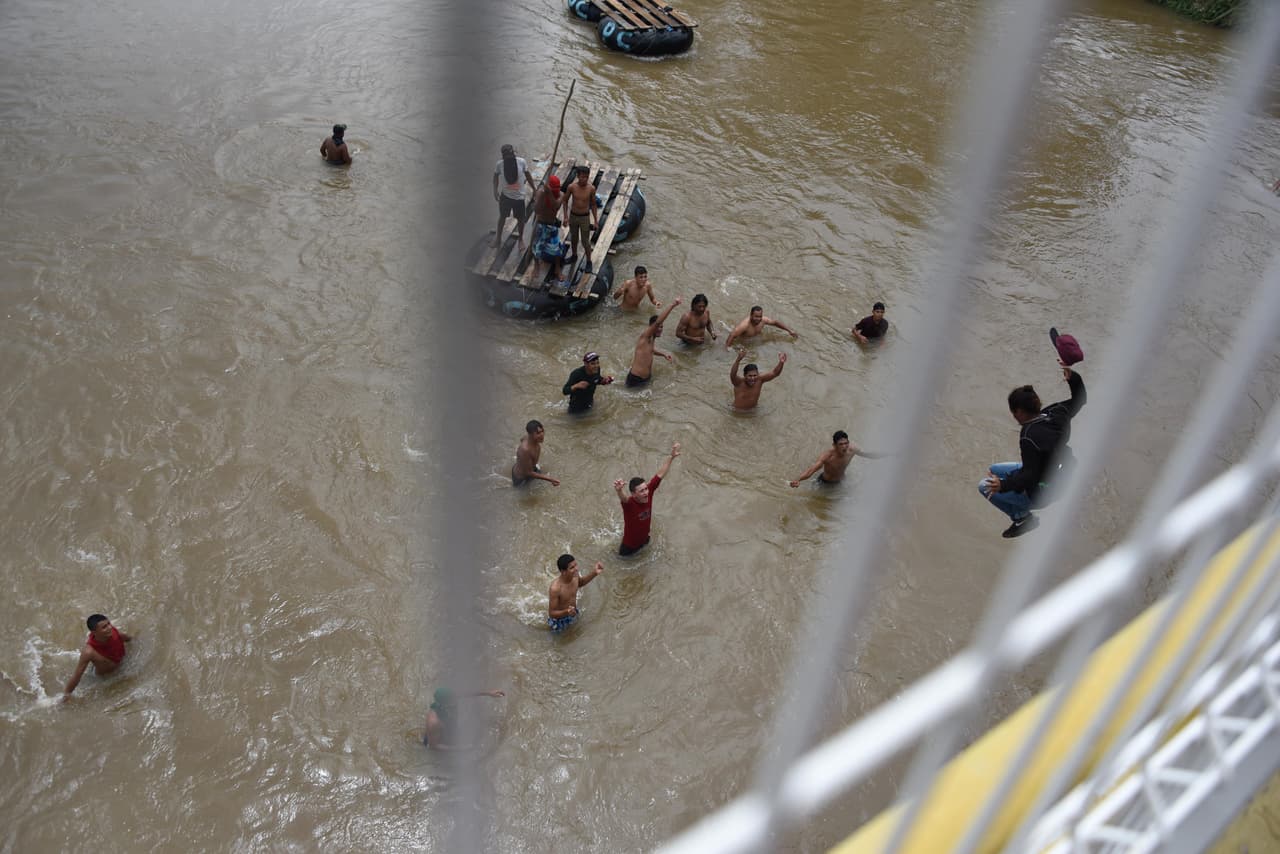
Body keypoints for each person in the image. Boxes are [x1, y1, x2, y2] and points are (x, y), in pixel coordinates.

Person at [979, 363, 1087, 538]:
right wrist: (1073, 377)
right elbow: (1080, 399)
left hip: (1045, 489)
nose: (1014, 417)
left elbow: (1030, 476)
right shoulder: (1056, 412)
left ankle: (1022, 518)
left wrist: (1004, 485)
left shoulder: (1029, 436)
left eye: (1013, 412)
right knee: (995, 470)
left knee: (984, 486)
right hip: (1064, 471)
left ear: (1020, 412)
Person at [613, 443, 680, 556]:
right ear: (634, 494)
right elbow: (624, 499)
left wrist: (671, 457)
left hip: (645, 540)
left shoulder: (649, 492)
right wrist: (619, 490)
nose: (646, 493)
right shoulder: (629, 504)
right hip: (629, 548)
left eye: (646, 489)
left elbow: (660, 474)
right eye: (642, 491)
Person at [63, 614, 132, 698]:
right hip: (104, 679)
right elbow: (76, 676)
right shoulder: (89, 652)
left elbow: (127, 638)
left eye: (109, 624)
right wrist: (66, 695)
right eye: (104, 627)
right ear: (94, 632)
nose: (109, 627)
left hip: (121, 665)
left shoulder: (112, 631)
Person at [790, 431, 886, 487]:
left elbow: (868, 454)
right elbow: (811, 470)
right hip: (824, 482)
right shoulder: (828, 456)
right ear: (834, 445)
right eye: (841, 444)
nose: (844, 446)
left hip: (840, 481)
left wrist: (887, 454)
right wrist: (798, 480)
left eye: (846, 443)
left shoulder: (852, 450)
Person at [423, 686, 505, 749]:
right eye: (451, 704)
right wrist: (462, 749)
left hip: (448, 727)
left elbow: (467, 693)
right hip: (437, 741)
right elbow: (434, 746)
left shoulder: (451, 698)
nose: (455, 703)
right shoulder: (434, 722)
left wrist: (489, 693)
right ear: (442, 704)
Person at [626, 298, 682, 387]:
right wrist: (673, 305)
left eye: (662, 327)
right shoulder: (645, 336)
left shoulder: (651, 339)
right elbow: (658, 321)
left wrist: (663, 354)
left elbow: (650, 350)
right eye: (658, 327)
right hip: (636, 379)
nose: (660, 329)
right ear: (651, 327)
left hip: (646, 379)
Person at [493, 143, 537, 251]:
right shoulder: (500, 164)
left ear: (513, 153)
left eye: (510, 154)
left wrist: (534, 189)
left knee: (521, 219)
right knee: (502, 217)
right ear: (503, 156)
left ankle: (520, 239)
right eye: (506, 155)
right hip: (505, 197)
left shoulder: (521, 162)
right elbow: (495, 177)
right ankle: (498, 238)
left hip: (519, 198)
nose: (509, 157)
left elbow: (528, 175)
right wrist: (495, 190)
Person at [547, 553, 604, 632]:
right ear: (563, 571)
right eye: (572, 567)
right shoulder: (555, 588)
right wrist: (566, 611)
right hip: (559, 620)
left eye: (576, 565)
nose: (576, 569)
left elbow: (581, 583)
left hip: (572, 612)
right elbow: (552, 613)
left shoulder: (575, 576)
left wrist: (594, 573)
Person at [531, 175, 566, 284]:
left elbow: (556, 206)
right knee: (536, 248)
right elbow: (536, 210)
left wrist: (549, 193)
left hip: (552, 225)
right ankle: (536, 266)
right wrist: (541, 196)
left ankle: (557, 268)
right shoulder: (541, 193)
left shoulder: (561, 194)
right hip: (540, 224)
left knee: (556, 249)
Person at [560, 166, 599, 264]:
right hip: (573, 216)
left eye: (586, 177)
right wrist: (565, 217)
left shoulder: (591, 188)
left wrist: (595, 221)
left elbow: (594, 205)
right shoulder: (572, 187)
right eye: (582, 177)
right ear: (577, 176)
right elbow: (564, 201)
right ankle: (574, 255)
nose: (584, 179)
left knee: (585, 241)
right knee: (574, 238)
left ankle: (589, 261)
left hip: (585, 217)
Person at [725, 305, 797, 349]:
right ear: (751, 315)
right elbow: (732, 335)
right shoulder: (744, 325)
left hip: (755, 340)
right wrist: (727, 348)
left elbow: (775, 322)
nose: (758, 319)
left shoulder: (763, 320)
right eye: (756, 316)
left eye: (760, 316)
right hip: (743, 342)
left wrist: (789, 330)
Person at [512, 420, 559, 487]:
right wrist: (550, 479)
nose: (542, 435)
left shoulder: (527, 438)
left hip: (531, 469)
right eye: (538, 433)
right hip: (521, 479)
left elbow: (522, 439)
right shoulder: (525, 450)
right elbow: (528, 473)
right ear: (530, 434)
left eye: (542, 431)